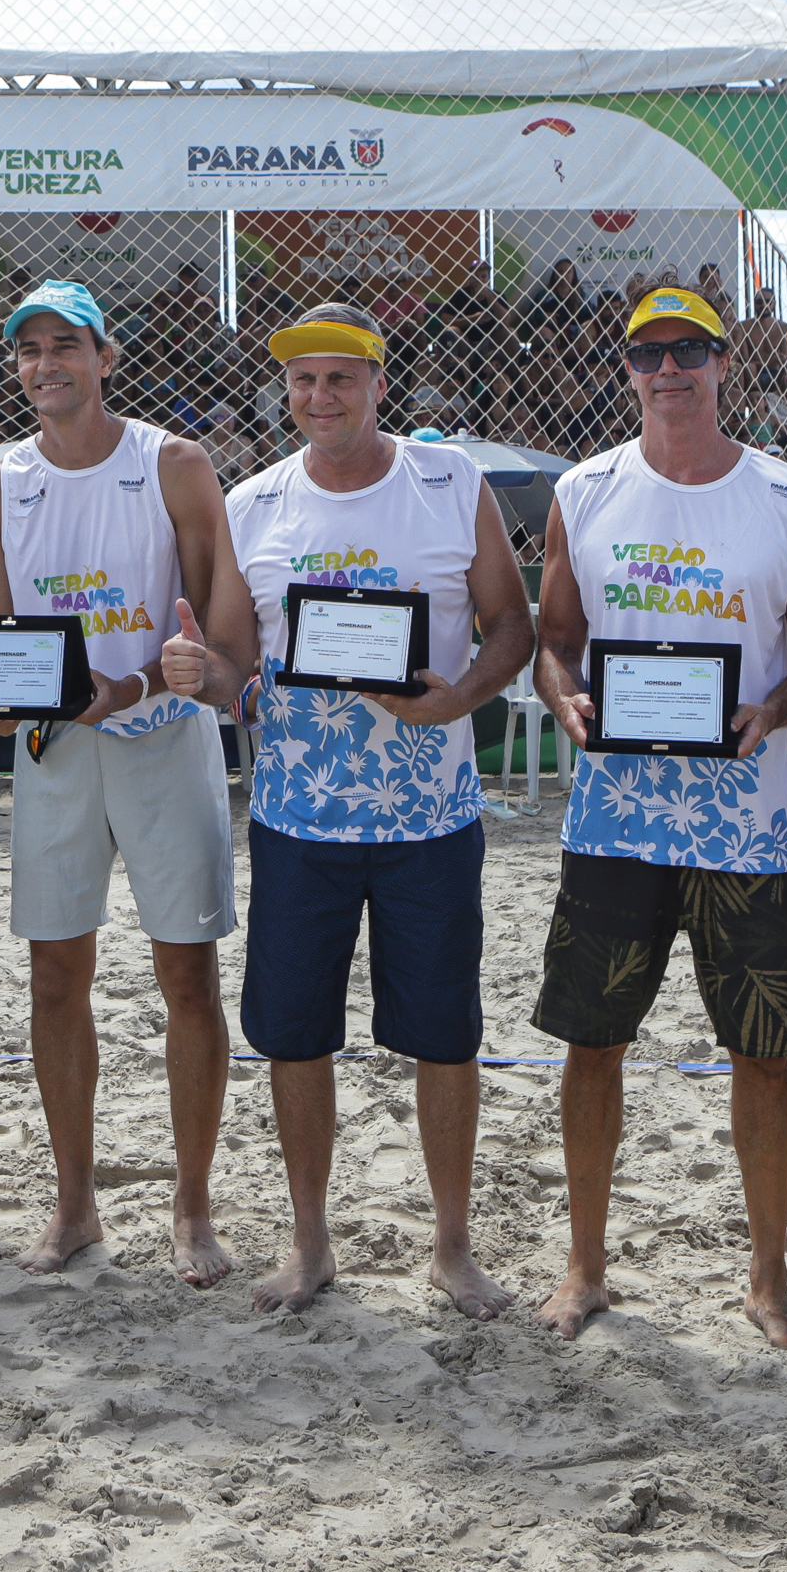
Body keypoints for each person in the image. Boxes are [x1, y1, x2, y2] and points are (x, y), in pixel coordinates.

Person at [529, 287, 787, 1347]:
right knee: (592, 1043)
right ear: (627, 370)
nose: (670, 367)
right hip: (615, 818)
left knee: (762, 1051)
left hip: (743, 821)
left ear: (724, 364)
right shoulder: (586, 489)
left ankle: (767, 1276)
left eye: (690, 349)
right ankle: (584, 1264)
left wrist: (774, 709)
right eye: (649, 352)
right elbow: (555, 636)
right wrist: (562, 694)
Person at [222, 303, 534, 1317]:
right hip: (298, 819)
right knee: (295, 1036)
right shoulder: (254, 503)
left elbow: (512, 629)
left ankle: (451, 1246)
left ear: (378, 383)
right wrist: (202, 673)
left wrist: (454, 698)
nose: (320, 396)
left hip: (429, 818)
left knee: (445, 1035)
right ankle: (310, 1242)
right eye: (303, 380)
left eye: (340, 378)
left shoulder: (448, 481)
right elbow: (234, 659)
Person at [0, 282, 260, 1284]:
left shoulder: (172, 462)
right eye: (29, 348)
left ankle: (192, 1204)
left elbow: (221, 630)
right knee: (56, 976)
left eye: (64, 345)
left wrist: (141, 678)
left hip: (162, 735)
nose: (44, 363)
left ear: (105, 355)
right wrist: (1, 701)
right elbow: (12, 643)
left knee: (186, 974)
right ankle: (76, 1202)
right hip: (61, 750)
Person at [730, 285, 787, 395]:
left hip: (776, 374)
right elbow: (745, 360)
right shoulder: (745, 326)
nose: (764, 305)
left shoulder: (783, 328)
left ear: (773, 304)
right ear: (754, 304)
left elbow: (786, 358)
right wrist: (767, 363)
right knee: (750, 368)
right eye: (759, 302)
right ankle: (755, 400)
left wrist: (782, 360)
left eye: (768, 301)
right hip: (753, 373)